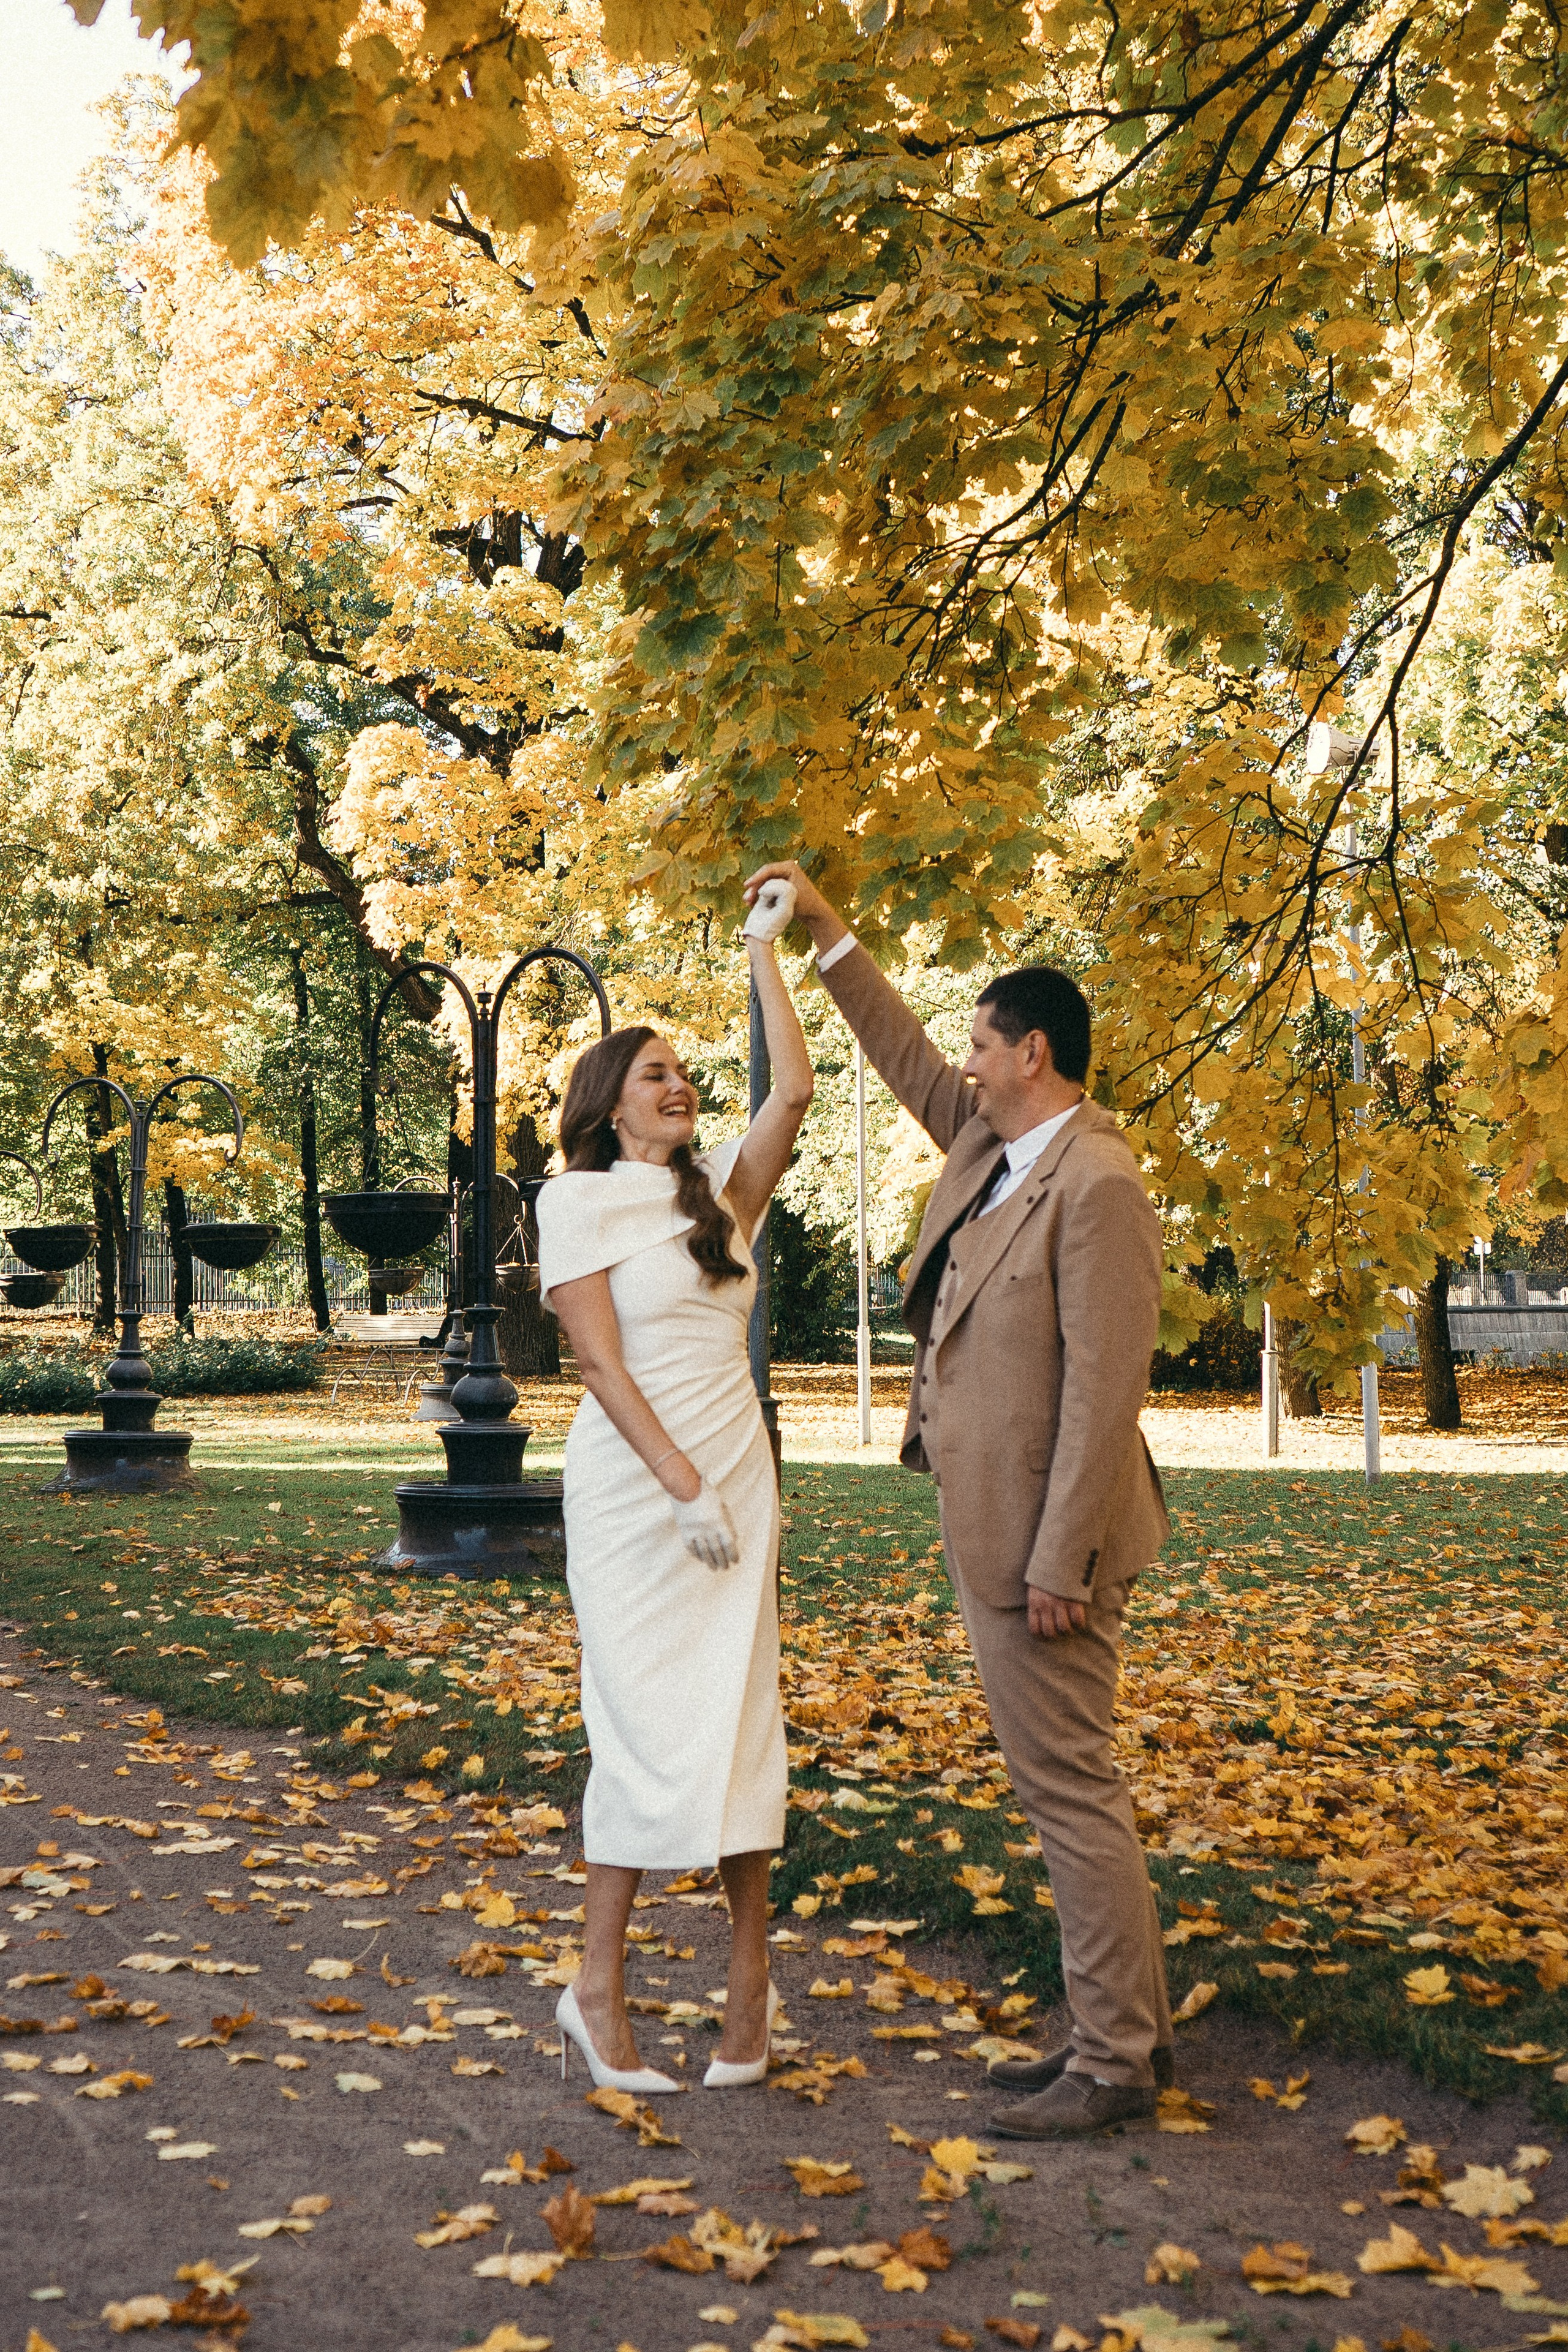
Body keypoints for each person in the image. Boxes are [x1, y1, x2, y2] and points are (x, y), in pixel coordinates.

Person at [744, 859, 1174, 2140]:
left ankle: (1108, 2064)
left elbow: (1104, 1394)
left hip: (1048, 1545)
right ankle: (1124, 2042)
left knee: (1067, 1789)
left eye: (983, 1046)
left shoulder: (1095, 1182)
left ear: (1031, 1052)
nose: (965, 1065)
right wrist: (823, 929)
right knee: (1067, 1784)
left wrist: (1058, 1560)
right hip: (998, 1524)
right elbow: (900, 1058)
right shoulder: (999, 1140)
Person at [535, 926, 812, 2094]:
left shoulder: (721, 1205)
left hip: (738, 1480)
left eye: (684, 1069)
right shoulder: (578, 1200)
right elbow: (600, 1365)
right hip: (639, 1492)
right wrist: (680, 1485)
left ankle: (751, 1992)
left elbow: (792, 1089)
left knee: (743, 1718)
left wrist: (768, 948)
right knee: (645, 1724)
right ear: (609, 1103)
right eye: (655, 1071)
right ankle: (595, 1994)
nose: (680, 1081)